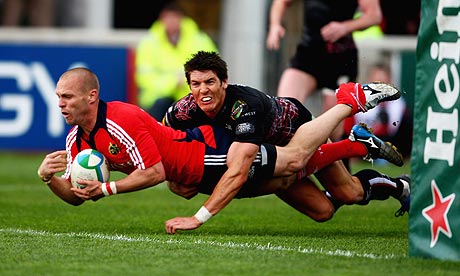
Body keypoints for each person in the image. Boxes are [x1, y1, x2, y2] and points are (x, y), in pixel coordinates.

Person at [37, 68, 409, 232]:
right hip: (196, 172)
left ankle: (347, 101)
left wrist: (196, 217)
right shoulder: (77, 140)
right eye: (58, 98)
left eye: (66, 97)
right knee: (327, 208)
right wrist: (49, 178)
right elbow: (75, 196)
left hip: (212, 157)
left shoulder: (120, 118)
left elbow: (154, 171)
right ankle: (364, 150)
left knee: (293, 160)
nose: (60, 104)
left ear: (92, 96)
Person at [163, 51, 408, 233]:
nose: (203, 90)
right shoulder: (184, 109)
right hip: (269, 150)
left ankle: (380, 164)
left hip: (299, 130)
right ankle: (359, 143)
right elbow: (159, 136)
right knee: (323, 212)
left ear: (224, 82)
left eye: (210, 82)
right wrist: (171, 174)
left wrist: (197, 218)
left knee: (348, 192)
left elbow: (238, 173)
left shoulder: (245, 107)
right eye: (196, 84)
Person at [266, 0, 383, 141]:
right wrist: (275, 25)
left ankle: (342, 154)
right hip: (308, 53)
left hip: (340, 59)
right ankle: (286, 156)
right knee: (283, 112)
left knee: (331, 130)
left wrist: (344, 27)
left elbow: (374, 15)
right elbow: (280, 2)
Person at [135, 0, 217, 120]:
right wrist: (173, 83)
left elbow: (213, 69)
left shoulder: (200, 40)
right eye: (168, 18)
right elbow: (144, 77)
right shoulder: (149, 43)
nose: (171, 22)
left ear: (181, 19)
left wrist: (185, 82)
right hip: (157, 100)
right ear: (161, 19)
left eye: (174, 18)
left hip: (193, 96)